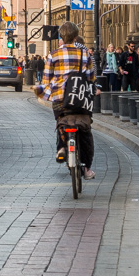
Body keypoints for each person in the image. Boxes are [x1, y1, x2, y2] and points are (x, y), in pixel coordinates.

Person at [35, 21, 97, 180]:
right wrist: (94, 88)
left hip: (60, 99)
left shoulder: (53, 55)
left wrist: (42, 92)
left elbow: (46, 79)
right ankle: (87, 169)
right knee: (85, 131)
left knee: (62, 122)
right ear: (76, 37)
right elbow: (91, 77)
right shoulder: (84, 54)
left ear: (61, 37)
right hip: (80, 97)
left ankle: (62, 148)